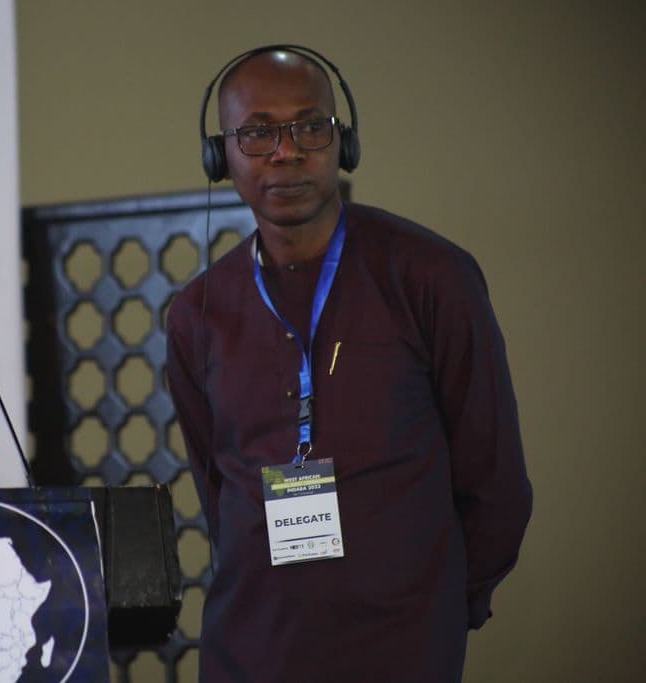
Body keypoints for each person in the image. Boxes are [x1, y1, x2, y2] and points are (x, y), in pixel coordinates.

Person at [166, 45, 533, 682]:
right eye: (257, 133)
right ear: (219, 156)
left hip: (403, 645)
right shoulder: (199, 311)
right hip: (251, 648)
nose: (286, 151)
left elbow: (494, 477)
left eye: (310, 126)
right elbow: (215, 489)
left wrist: (444, 612)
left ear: (344, 142)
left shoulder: (431, 276)